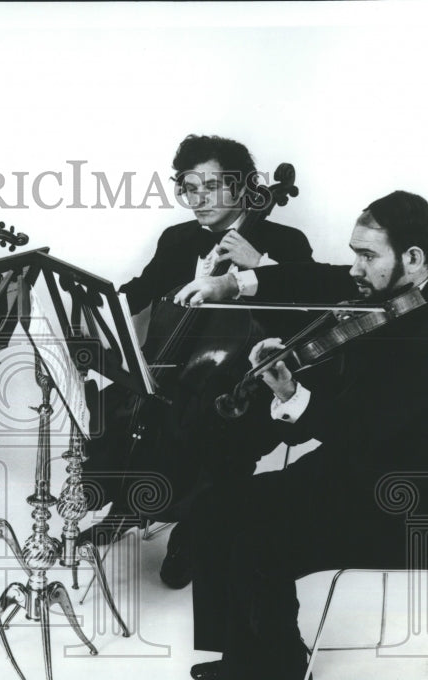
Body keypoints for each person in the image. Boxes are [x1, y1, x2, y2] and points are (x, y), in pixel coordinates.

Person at [168, 190, 428, 680]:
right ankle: (242, 653)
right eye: (356, 251)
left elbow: (366, 430)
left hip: (397, 504)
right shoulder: (414, 287)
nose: (355, 267)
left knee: (258, 537)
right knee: (214, 507)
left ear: (415, 258)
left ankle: (284, 676)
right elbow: (322, 277)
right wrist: (232, 282)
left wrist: (292, 395)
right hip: (352, 474)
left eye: (368, 255)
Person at [79, 134, 315, 546]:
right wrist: (91, 302)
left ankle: (199, 527)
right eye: (189, 188)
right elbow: (139, 291)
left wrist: (259, 266)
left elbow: (305, 318)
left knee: (214, 437)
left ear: (241, 186)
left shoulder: (286, 243)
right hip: (171, 371)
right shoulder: (177, 239)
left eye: (210, 186)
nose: (198, 199)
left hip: (241, 390)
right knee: (111, 411)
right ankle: (125, 506)